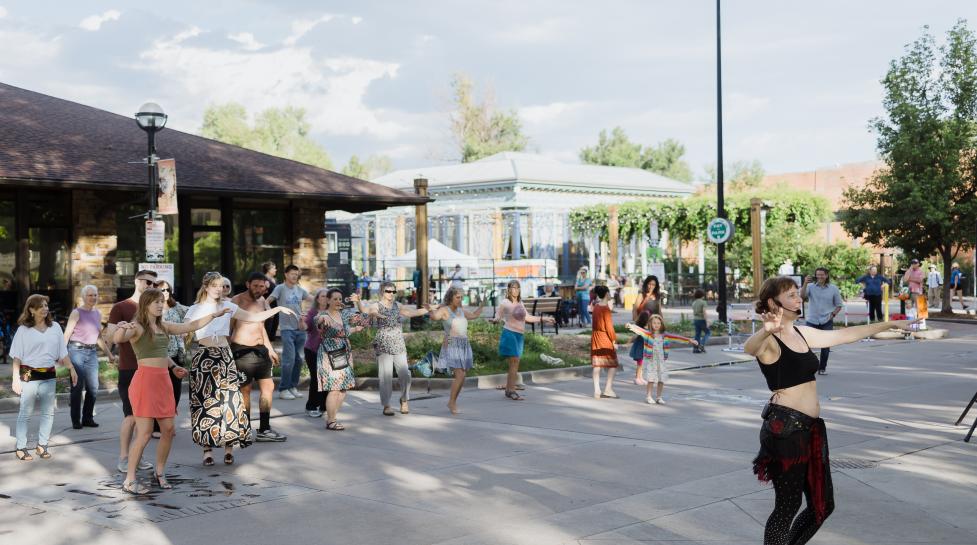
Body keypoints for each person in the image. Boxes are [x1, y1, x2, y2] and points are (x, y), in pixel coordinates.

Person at [744, 276, 915, 545]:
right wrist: (766, 329)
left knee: (822, 506)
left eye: (797, 293)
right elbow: (749, 348)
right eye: (790, 295)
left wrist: (889, 323)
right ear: (772, 302)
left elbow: (843, 335)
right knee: (786, 507)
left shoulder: (801, 333)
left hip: (810, 429)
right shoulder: (770, 340)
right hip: (785, 432)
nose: (798, 298)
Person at [112, 288, 227, 494]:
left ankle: (160, 472)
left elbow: (190, 326)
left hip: (163, 381)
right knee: (145, 434)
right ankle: (129, 479)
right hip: (144, 382)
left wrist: (213, 315)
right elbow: (118, 338)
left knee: (169, 431)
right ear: (145, 304)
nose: (159, 305)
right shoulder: (137, 327)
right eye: (155, 302)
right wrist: (121, 327)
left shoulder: (163, 326)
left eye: (161, 302)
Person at [184, 272, 296, 466]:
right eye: (215, 285)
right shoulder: (195, 308)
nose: (219, 289)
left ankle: (228, 449)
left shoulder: (229, 306)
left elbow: (253, 317)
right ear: (206, 287)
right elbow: (184, 329)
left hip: (225, 356)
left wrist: (277, 308)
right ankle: (207, 450)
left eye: (221, 285)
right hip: (205, 358)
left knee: (230, 403)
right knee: (205, 404)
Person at [103, 269, 158, 473]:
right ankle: (124, 458)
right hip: (130, 368)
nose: (150, 286)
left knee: (145, 417)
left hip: (151, 370)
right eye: (147, 282)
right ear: (137, 281)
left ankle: (137, 456)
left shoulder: (154, 308)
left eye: (154, 284)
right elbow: (109, 336)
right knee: (132, 415)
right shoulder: (121, 307)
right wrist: (120, 328)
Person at [11, 295, 78, 460]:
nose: (45, 308)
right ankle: (21, 447)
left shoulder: (55, 327)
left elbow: (62, 351)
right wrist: (15, 379)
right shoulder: (23, 330)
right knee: (25, 412)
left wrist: (71, 368)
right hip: (28, 374)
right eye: (41, 306)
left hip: (48, 374)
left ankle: (42, 445)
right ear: (31, 310)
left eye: (46, 305)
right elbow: (17, 357)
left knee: (48, 412)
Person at [357, 281, 429, 416]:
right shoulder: (376, 305)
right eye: (388, 291)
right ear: (382, 292)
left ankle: (404, 399)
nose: (391, 294)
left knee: (405, 374)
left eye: (393, 291)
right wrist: (361, 304)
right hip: (383, 344)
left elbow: (412, 313)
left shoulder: (398, 305)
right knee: (385, 377)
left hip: (398, 344)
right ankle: (387, 405)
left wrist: (429, 309)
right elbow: (368, 311)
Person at [230, 272, 286, 442]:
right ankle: (244, 428)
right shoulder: (237, 301)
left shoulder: (262, 301)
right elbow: (228, 329)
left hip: (260, 350)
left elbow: (261, 327)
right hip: (241, 350)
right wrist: (226, 354)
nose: (258, 289)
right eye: (255, 285)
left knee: (268, 387)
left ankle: (264, 428)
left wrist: (270, 349)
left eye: (262, 286)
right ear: (248, 284)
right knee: (245, 390)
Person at [313, 289, 371, 430]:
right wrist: (322, 319)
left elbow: (365, 320)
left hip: (344, 353)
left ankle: (332, 417)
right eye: (335, 299)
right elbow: (318, 321)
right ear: (328, 300)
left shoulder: (344, 314)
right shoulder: (323, 315)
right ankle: (331, 420)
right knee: (334, 388)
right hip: (329, 354)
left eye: (340, 299)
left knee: (343, 388)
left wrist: (358, 303)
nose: (338, 301)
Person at [63, 285, 115, 429]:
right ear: (84, 297)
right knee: (77, 386)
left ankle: (87, 418)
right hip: (76, 351)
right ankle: (76, 420)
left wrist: (109, 354)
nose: (93, 297)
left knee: (93, 387)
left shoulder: (97, 314)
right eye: (90, 295)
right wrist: (62, 355)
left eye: (95, 295)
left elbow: (98, 337)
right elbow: (66, 335)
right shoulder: (76, 313)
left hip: (91, 353)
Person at [493, 280, 554, 400]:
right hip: (509, 333)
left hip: (519, 335)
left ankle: (509, 389)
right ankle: (511, 390)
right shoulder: (505, 302)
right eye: (513, 288)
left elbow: (528, 317)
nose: (515, 290)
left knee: (515, 363)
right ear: (509, 289)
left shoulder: (520, 302)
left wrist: (544, 318)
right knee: (514, 361)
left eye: (517, 288)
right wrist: (495, 320)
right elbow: (498, 316)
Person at [429, 287, 485, 414]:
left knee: (463, 375)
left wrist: (482, 305)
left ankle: (452, 401)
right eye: (458, 297)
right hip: (451, 344)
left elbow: (474, 315)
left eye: (461, 297)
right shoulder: (444, 310)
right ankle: (452, 403)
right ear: (451, 297)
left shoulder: (461, 310)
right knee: (459, 375)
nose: (460, 299)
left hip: (464, 345)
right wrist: (430, 310)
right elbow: (434, 317)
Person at [626, 314, 697, 404]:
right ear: (650, 324)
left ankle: (659, 397)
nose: (656, 325)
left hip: (661, 361)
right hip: (651, 361)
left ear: (661, 324)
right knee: (651, 379)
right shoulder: (648, 334)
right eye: (654, 323)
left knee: (661, 379)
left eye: (658, 323)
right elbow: (639, 330)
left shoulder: (665, 335)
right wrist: (630, 326)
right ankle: (648, 396)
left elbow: (677, 337)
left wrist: (689, 340)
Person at [267, 265, 314, 400]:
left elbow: (315, 300)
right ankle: (283, 389)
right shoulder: (280, 288)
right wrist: (267, 313)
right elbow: (268, 301)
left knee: (299, 360)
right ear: (286, 274)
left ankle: (293, 387)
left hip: (300, 328)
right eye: (292, 274)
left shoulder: (300, 290)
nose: (295, 276)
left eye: (296, 274)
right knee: (289, 360)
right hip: (287, 329)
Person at [153, 279, 188, 439]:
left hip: (177, 354)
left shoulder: (176, 307)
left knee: (175, 392)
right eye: (161, 290)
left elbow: (192, 314)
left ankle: (169, 424)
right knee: (159, 393)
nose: (165, 293)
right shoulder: (153, 309)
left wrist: (186, 330)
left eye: (167, 290)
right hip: (159, 356)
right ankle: (156, 426)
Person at [800, 269, 842, 375]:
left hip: (826, 320)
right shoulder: (810, 287)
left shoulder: (833, 289)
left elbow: (839, 305)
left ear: (826, 275)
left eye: (822, 275)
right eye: (817, 275)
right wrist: (805, 283)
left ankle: (822, 368)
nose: (819, 277)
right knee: (806, 344)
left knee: (826, 346)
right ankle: (809, 366)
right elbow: (802, 297)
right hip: (812, 320)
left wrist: (832, 315)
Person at [631, 275, 663, 384]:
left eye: (653, 284)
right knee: (640, 351)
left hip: (653, 327)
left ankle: (642, 376)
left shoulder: (657, 296)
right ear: (646, 284)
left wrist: (662, 324)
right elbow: (635, 308)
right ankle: (637, 377)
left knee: (649, 352)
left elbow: (659, 311)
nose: (651, 286)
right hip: (642, 326)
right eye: (649, 284)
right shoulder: (642, 294)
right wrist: (635, 323)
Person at [303, 289, 330, 418]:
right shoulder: (312, 312)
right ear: (318, 299)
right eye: (323, 296)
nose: (326, 298)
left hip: (328, 351)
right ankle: (311, 406)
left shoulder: (334, 312)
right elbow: (305, 327)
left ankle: (324, 406)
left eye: (327, 296)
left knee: (327, 379)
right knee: (316, 378)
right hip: (312, 350)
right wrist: (301, 322)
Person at [589, 285, 618, 399]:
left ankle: (597, 390)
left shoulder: (596, 307)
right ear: (606, 294)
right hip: (605, 338)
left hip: (596, 337)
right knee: (613, 364)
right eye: (609, 293)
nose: (610, 295)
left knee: (597, 364)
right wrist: (614, 340)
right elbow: (609, 328)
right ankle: (608, 389)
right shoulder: (606, 309)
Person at [262, 261, 279, 342]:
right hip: (267, 307)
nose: (276, 270)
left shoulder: (275, 280)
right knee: (268, 327)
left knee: (274, 326)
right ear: (269, 269)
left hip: (276, 306)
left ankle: (271, 346)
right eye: (274, 268)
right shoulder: (263, 280)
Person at [691, 289, 711, 353]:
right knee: (708, 332)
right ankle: (702, 344)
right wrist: (707, 321)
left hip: (695, 320)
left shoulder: (694, 303)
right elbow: (704, 312)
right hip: (702, 320)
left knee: (697, 334)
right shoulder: (703, 302)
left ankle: (695, 348)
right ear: (702, 295)